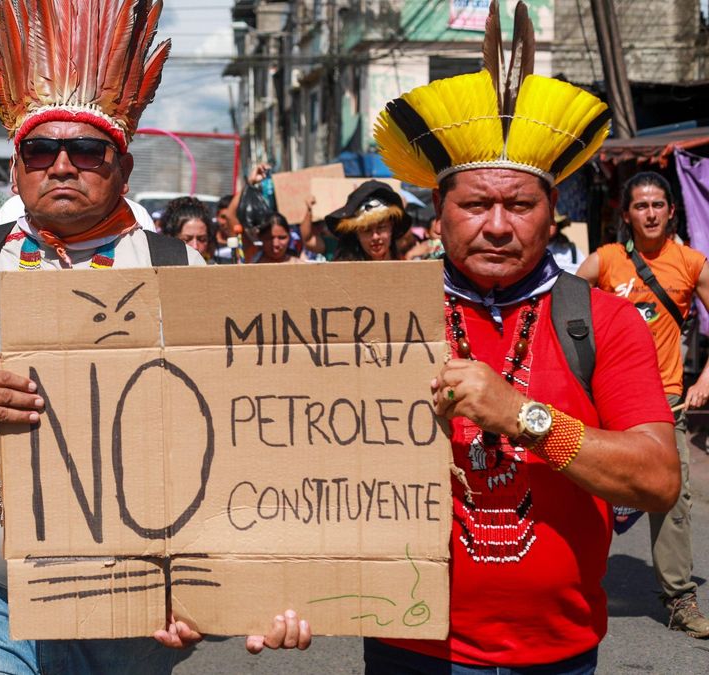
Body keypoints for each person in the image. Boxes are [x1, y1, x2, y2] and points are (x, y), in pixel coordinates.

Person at [248, 2, 680, 669]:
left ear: (553, 213)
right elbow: (278, 457)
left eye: (522, 204)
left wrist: (523, 415)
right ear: (441, 214)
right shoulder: (367, 318)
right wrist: (279, 590)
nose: (499, 225)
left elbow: (656, 478)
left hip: (558, 656)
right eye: (477, 204)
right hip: (407, 650)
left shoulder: (603, 319)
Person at [0, 0, 203, 670]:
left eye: (87, 149)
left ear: (123, 167)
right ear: (16, 168)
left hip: (130, 607)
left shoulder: (178, 269)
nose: (62, 164)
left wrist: (211, 584)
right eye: (41, 148)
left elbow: (235, 435)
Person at [576, 171, 709, 638]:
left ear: (671, 211)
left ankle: (679, 599)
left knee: (670, 496)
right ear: (627, 214)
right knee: (584, 487)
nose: (649, 213)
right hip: (605, 398)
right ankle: (566, 583)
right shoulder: (607, 261)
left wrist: (706, 378)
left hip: (664, 400)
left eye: (657, 205)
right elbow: (562, 303)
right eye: (640, 206)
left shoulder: (692, 262)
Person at [326, 180, 407, 262]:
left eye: (381, 227)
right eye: (366, 230)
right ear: (357, 234)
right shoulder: (344, 271)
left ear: (391, 227)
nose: (375, 237)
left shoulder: (407, 267)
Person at [161, 196, 214, 261]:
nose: (195, 247)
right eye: (186, 239)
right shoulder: (156, 269)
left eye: (202, 239)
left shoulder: (218, 269)